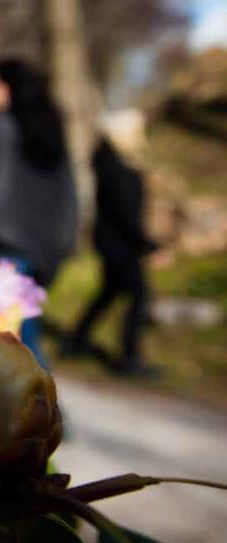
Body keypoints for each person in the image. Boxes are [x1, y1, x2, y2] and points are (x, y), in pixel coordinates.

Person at [0, 59, 78, 368]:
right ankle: (38, 409)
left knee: (15, 343)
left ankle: (41, 412)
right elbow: (67, 194)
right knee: (24, 339)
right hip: (41, 248)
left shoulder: (2, 129)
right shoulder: (51, 129)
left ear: (10, 87)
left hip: (4, 247)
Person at [65, 111, 159, 377]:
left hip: (113, 243)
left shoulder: (112, 163)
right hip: (121, 245)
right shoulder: (119, 169)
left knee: (108, 294)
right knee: (139, 297)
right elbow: (126, 214)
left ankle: (75, 340)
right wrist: (149, 245)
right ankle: (130, 359)